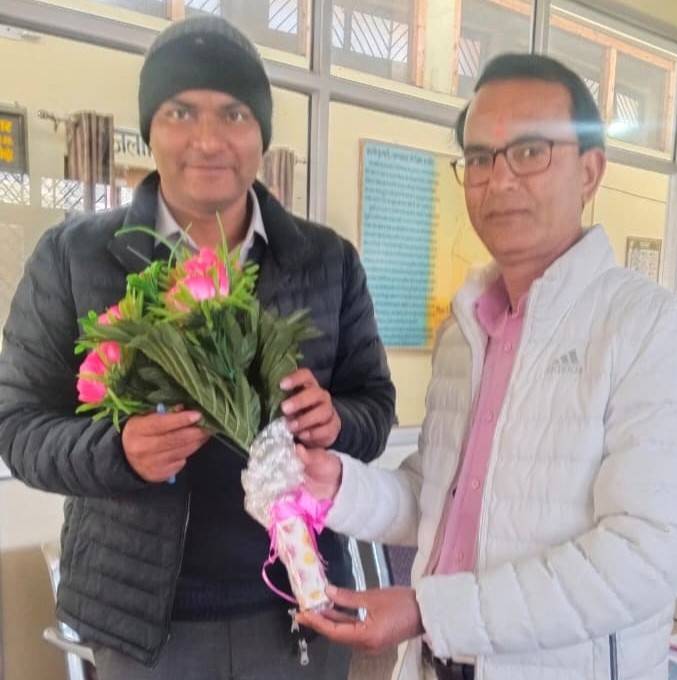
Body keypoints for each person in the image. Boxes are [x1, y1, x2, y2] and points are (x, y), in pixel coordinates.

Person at [296, 53, 677, 680]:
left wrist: (426, 610)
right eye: (479, 158)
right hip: (436, 665)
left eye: (529, 152)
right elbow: (432, 498)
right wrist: (336, 485)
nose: (498, 180)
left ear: (590, 171)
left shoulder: (654, 331)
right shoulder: (465, 333)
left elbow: (642, 557)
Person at [0, 15, 395, 680]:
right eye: (181, 111)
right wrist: (119, 452)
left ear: (261, 133)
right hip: (145, 629)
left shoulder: (326, 259)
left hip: (299, 604)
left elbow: (374, 408)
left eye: (234, 113)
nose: (208, 140)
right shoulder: (74, 257)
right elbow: (17, 426)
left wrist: (337, 423)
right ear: (150, 127)